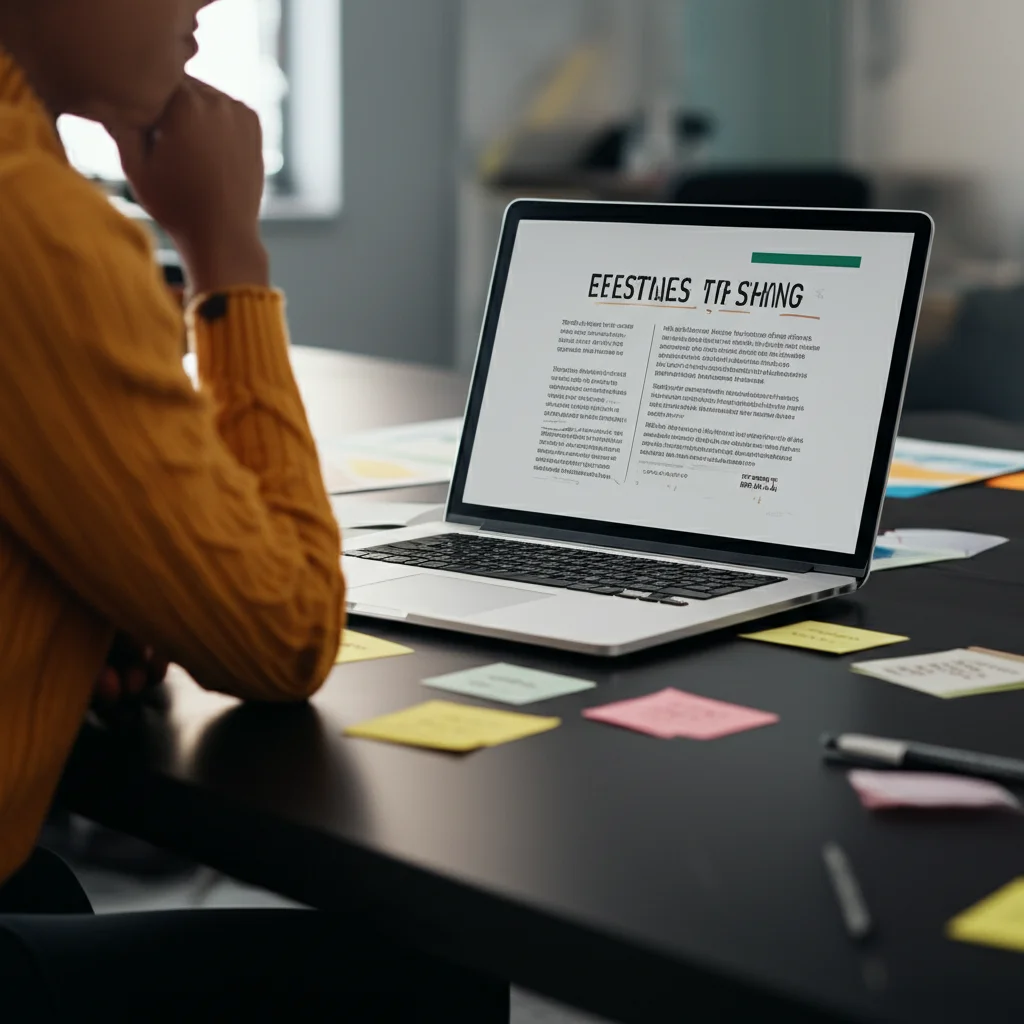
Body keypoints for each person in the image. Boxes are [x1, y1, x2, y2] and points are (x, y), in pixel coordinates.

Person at [0, 1, 508, 1019]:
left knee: (45, 889)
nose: (207, 1)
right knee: (442, 978)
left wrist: (75, 605)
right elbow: (284, 634)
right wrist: (226, 248)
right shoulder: (36, 229)